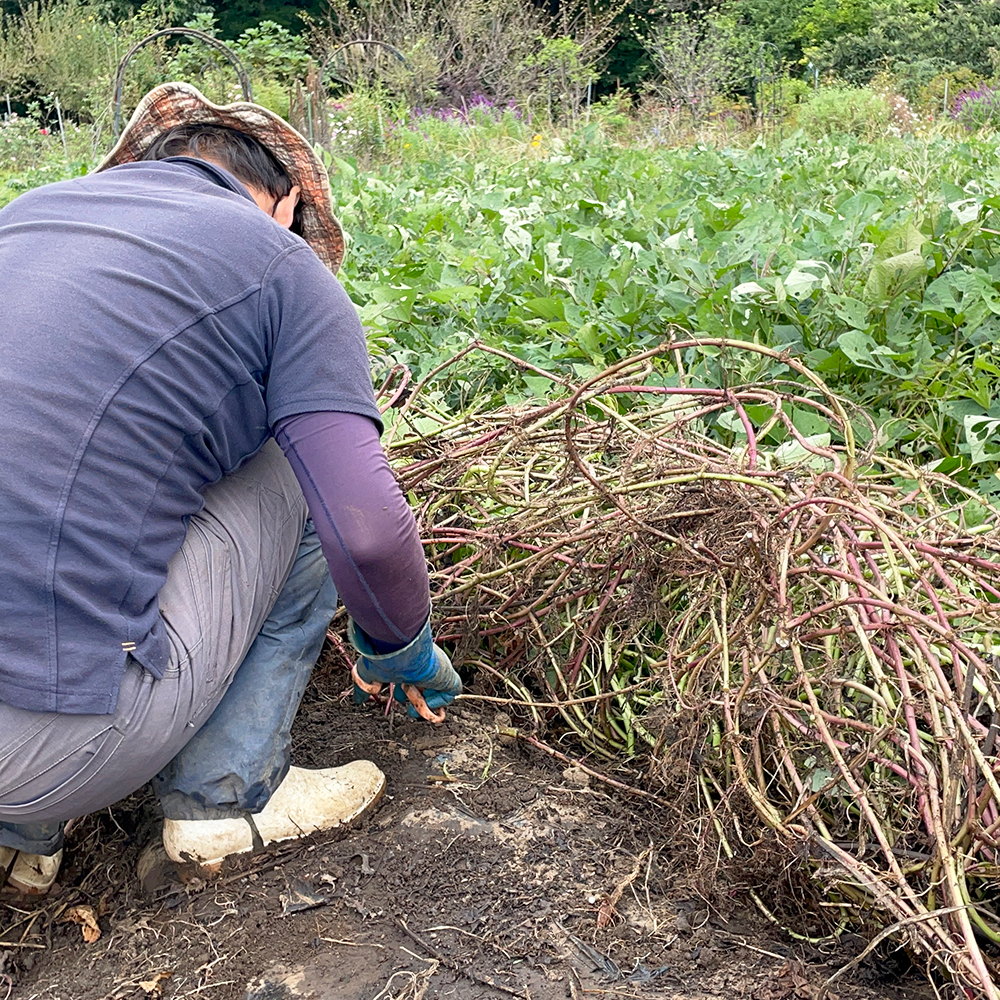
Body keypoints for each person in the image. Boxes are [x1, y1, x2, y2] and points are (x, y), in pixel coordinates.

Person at [0, 82, 461, 895]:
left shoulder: (26, 217)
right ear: (283, 205)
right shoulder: (278, 263)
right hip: (49, 748)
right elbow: (365, 528)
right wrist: (403, 650)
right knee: (299, 466)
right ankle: (226, 797)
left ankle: (21, 841)